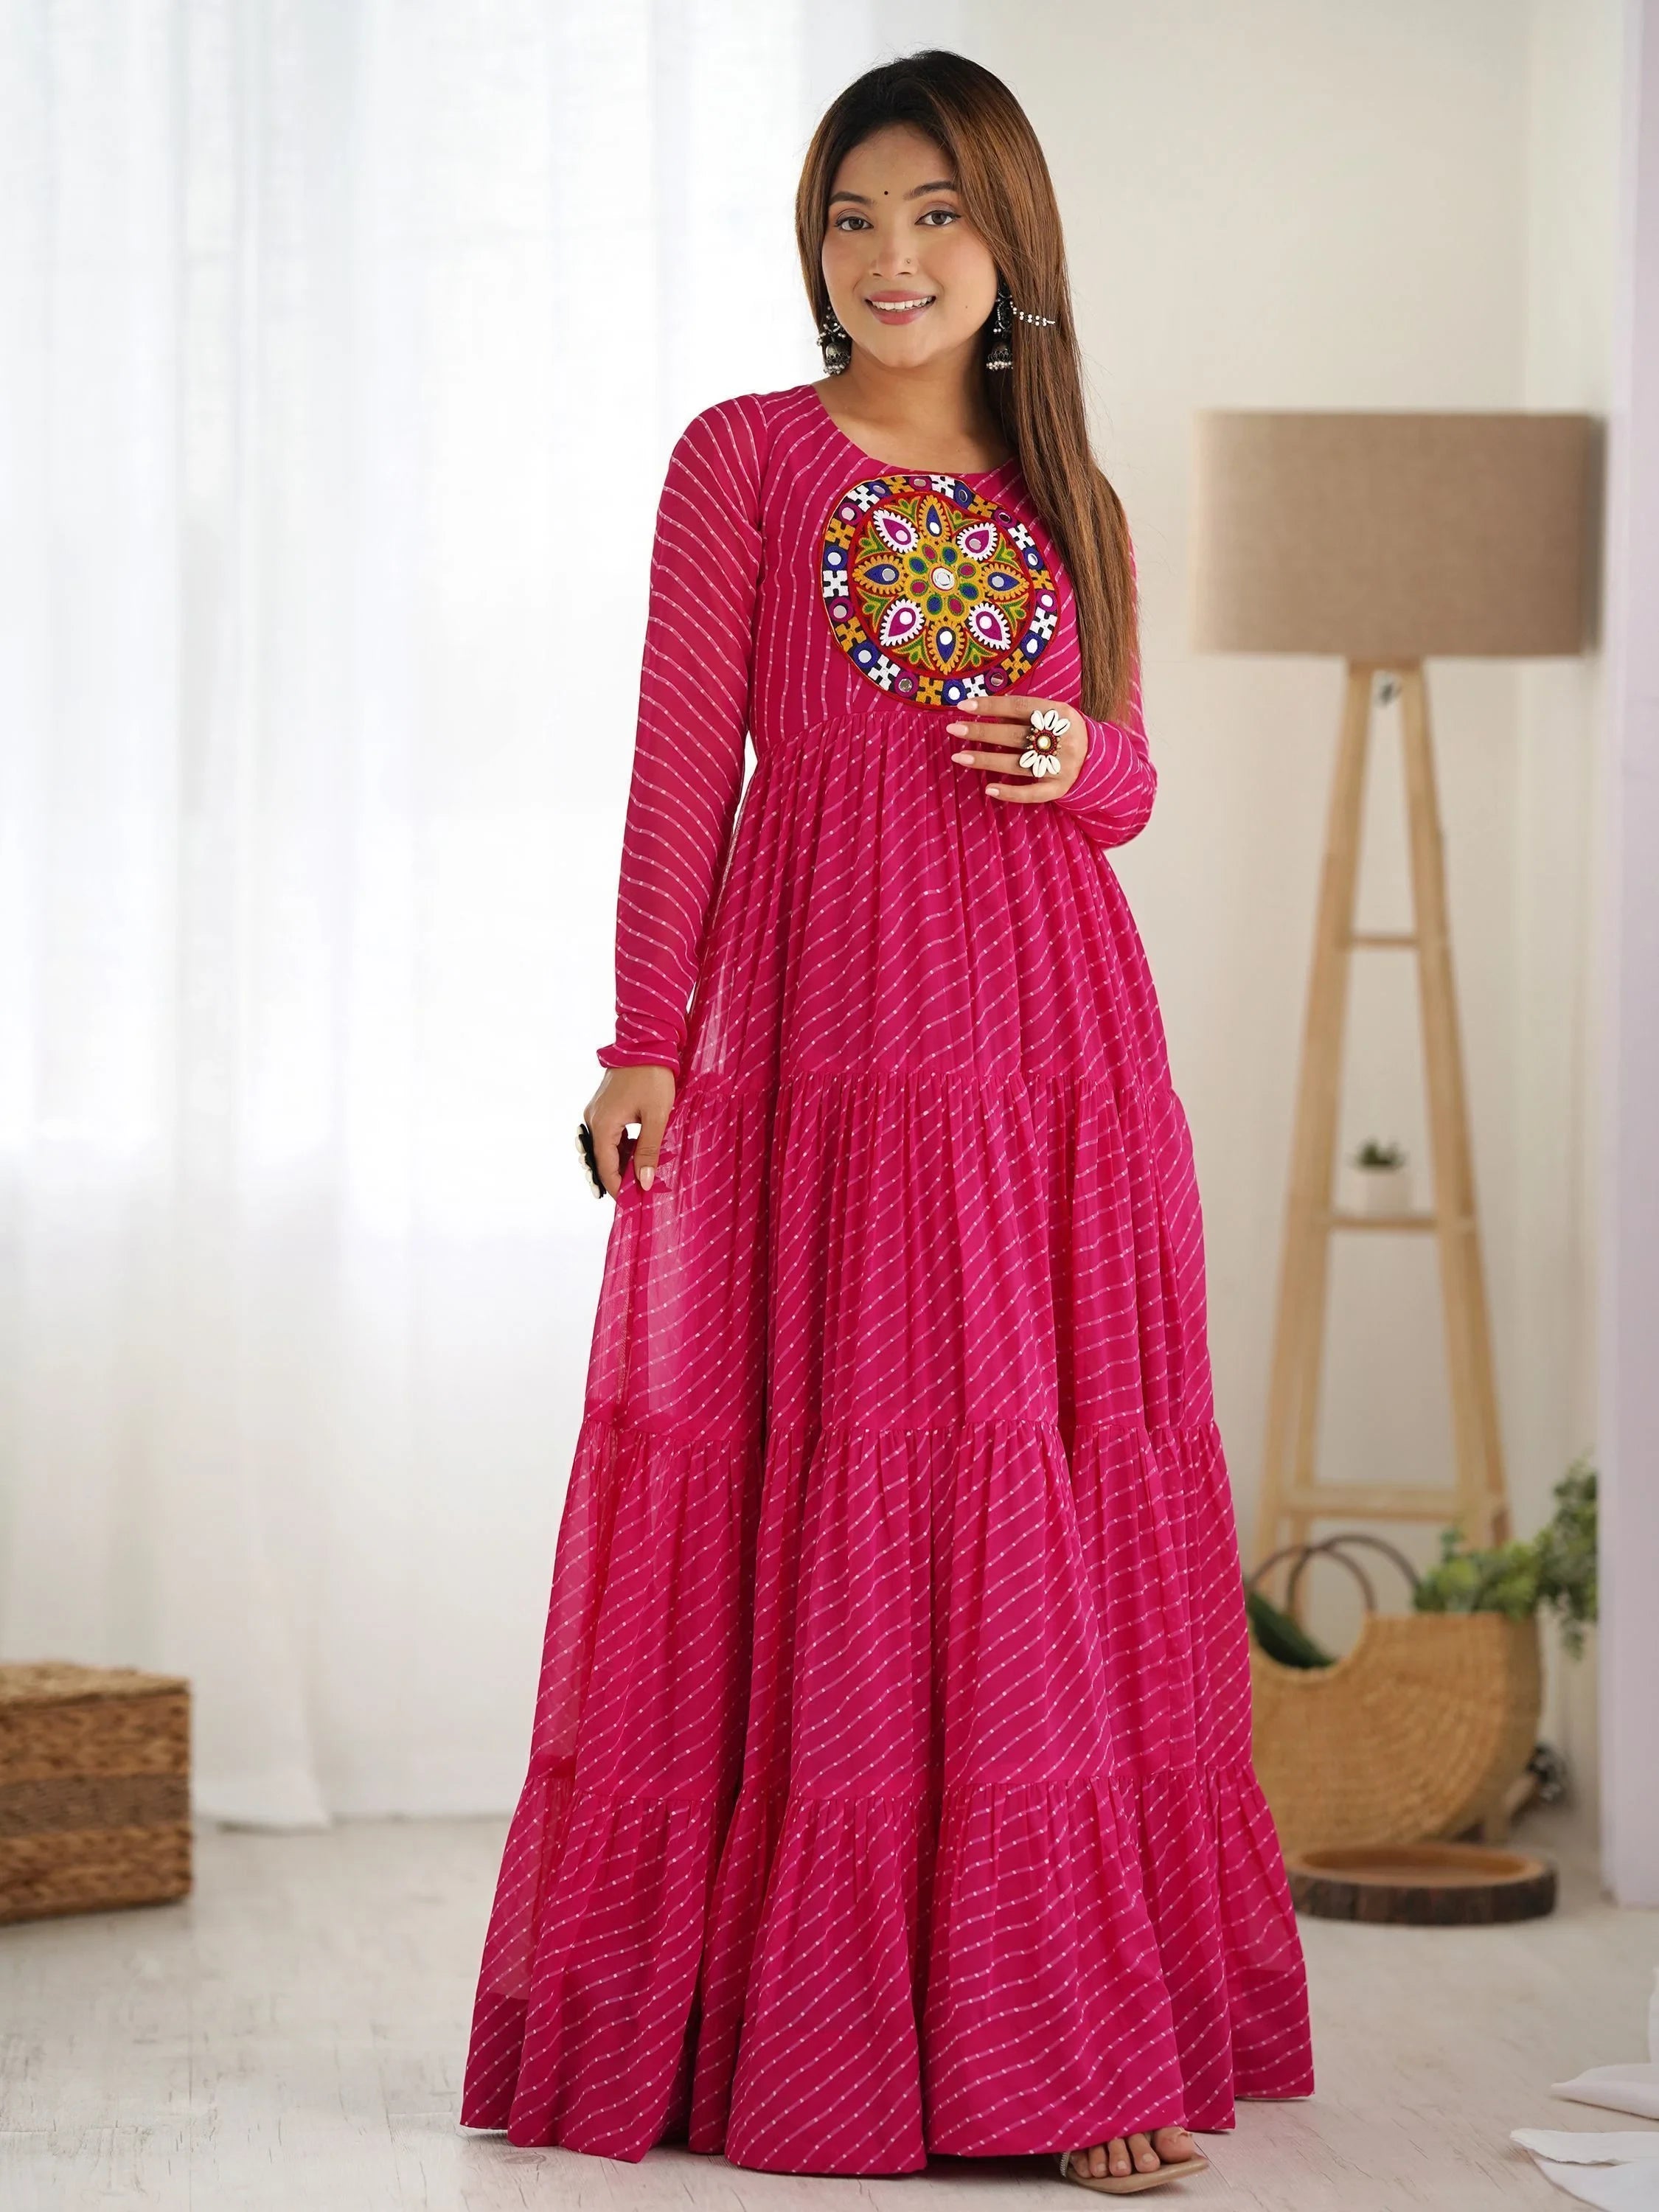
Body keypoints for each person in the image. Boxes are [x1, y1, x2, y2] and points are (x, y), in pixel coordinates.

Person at [459, 46, 1314, 2195]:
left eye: (933, 212)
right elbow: (687, 764)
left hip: (1043, 1064)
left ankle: (1070, 2038)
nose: (890, 256)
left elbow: (1122, 776)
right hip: (820, 1055)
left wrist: (1075, 760)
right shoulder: (741, 458)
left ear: (1008, 239)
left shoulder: (1072, 499)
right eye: (852, 215)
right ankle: (788, 2040)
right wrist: (638, 1036)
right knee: (820, 1498)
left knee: (1030, 1502)